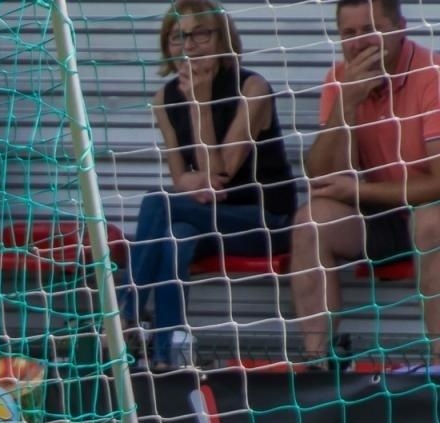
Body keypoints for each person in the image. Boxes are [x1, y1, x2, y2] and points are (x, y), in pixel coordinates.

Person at [118, 0, 297, 369]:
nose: (189, 45)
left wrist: (199, 105)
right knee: (176, 235)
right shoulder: (164, 99)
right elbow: (183, 178)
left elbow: (224, 172)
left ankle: (123, 318)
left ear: (221, 37)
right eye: (177, 37)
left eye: (200, 33)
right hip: (205, 214)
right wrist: (197, 183)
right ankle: (167, 356)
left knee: (157, 202)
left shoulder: (252, 88)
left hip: (264, 219)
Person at [291, 0, 440, 362]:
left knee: (430, 221)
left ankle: (438, 363)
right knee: (311, 221)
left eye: (371, 30)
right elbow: (323, 176)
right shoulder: (340, 80)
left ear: (400, 28)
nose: (361, 43)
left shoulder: (432, 74)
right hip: (380, 215)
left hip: (427, 208)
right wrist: (347, 104)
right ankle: (317, 362)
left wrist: (359, 190)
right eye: (350, 34)